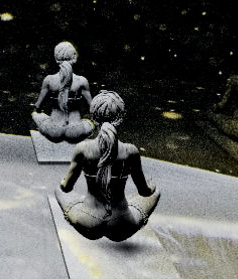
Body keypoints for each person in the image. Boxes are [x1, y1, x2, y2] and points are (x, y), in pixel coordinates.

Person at [56, 91, 160, 242]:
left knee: (59, 190)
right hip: (121, 226)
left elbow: (66, 188)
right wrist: (152, 188)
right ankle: (126, 206)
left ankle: (85, 203)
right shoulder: (130, 151)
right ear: (121, 117)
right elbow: (144, 192)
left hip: (88, 224)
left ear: (93, 117)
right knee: (155, 193)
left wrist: (63, 183)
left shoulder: (83, 149)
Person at [31, 41, 95, 142]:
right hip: (75, 131)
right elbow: (93, 109)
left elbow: (38, 106)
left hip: (54, 131)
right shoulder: (82, 81)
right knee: (89, 123)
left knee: (35, 115)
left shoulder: (49, 80)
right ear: (74, 58)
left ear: (56, 59)